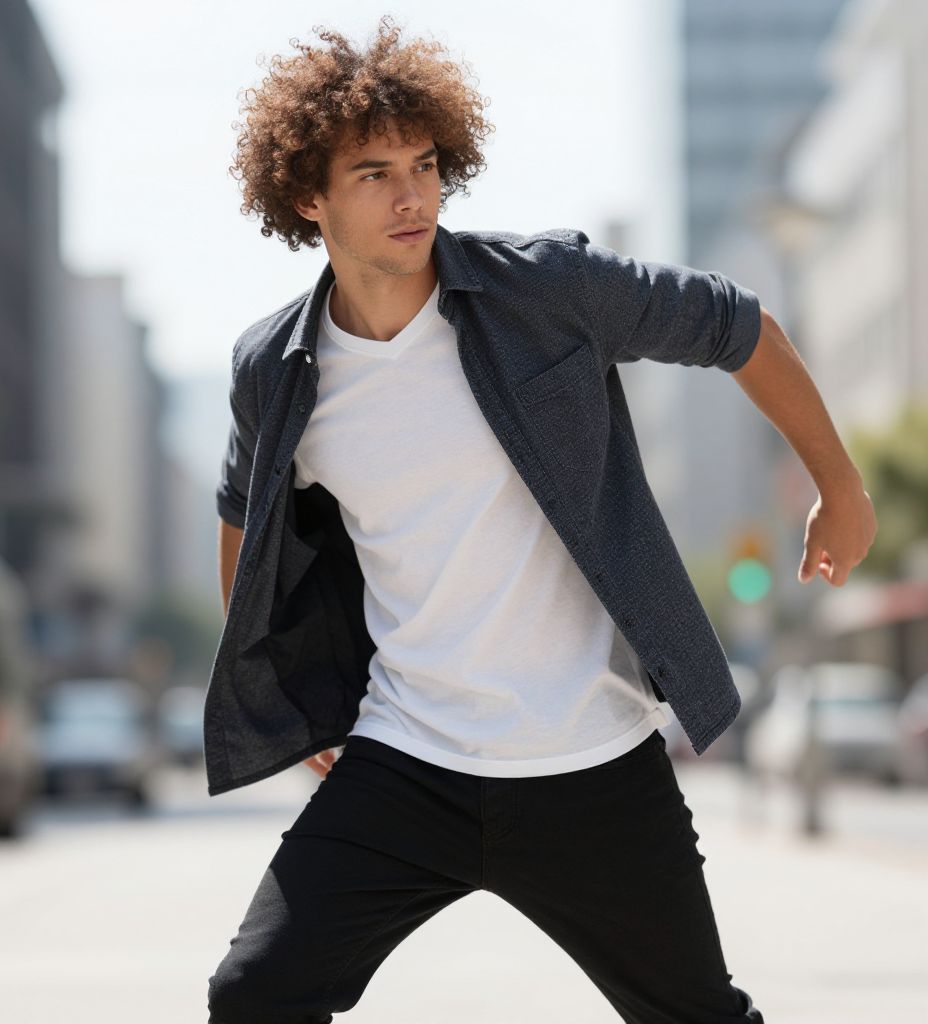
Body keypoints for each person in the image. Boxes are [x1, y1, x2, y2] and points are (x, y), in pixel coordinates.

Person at [205, 16, 877, 1024]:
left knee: (698, 1015)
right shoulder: (276, 366)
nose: (413, 193)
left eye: (426, 164)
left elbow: (737, 324)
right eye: (374, 173)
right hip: (407, 759)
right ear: (308, 197)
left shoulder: (543, 292)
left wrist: (840, 483)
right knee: (254, 995)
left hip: (592, 763)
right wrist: (294, 692)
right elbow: (244, 526)